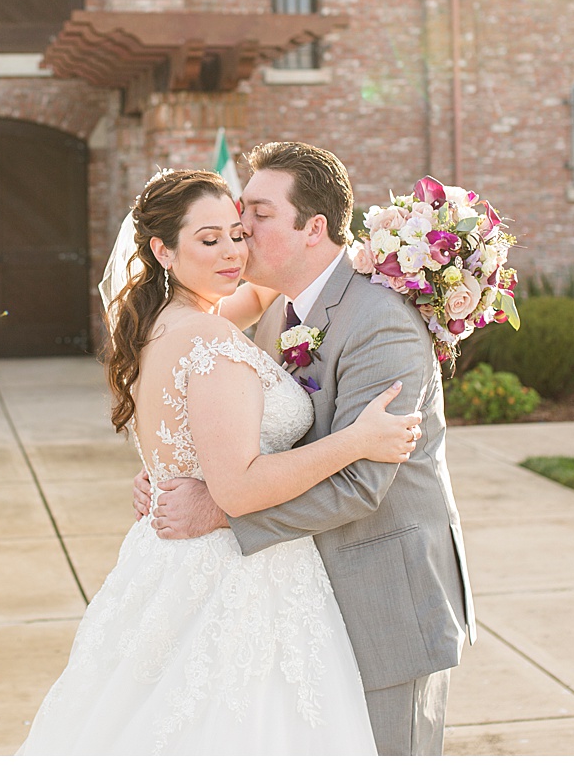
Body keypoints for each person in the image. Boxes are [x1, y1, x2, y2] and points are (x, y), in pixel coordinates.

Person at [18, 168, 419, 754]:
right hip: (237, 577)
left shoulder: (165, 324)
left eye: (238, 233)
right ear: (162, 249)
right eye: (209, 240)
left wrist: (377, 248)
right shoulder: (211, 342)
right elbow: (238, 489)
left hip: (172, 561)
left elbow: (265, 286)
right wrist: (356, 441)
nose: (233, 252)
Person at [137, 142, 475, 756]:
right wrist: (177, 471)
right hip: (301, 595)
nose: (241, 228)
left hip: (383, 593)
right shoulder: (272, 315)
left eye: (258, 214)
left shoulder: (381, 318)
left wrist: (217, 507)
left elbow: (366, 484)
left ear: (313, 227)